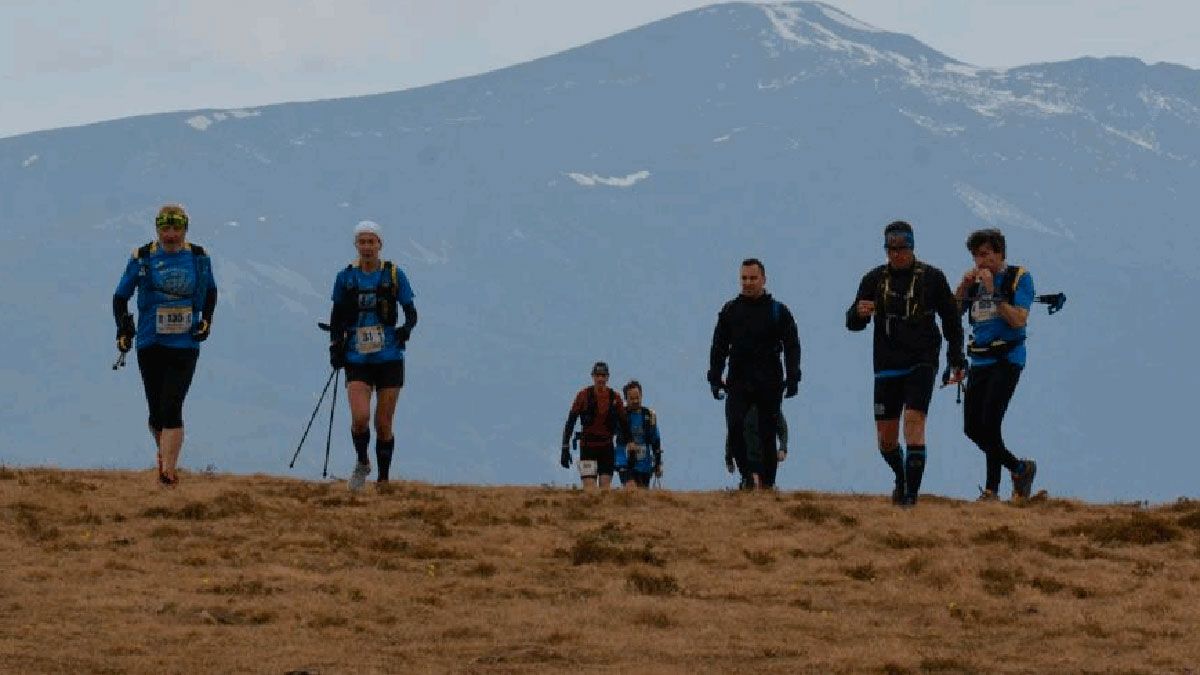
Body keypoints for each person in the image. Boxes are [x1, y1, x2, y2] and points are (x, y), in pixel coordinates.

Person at [846, 220, 966, 506]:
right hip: (886, 364)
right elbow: (852, 323)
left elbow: (951, 319)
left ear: (912, 247)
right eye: (891, 248)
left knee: (913, 424)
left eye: (902, 248)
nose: (897, 253)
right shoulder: (873, 279)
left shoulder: (932, 277)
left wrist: (955, 356)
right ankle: (901, 478)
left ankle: (910, 499)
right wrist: (859, 313)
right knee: (886, 441)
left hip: (922, 360)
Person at [112, 204, 217, 486]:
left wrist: (206, 320)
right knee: (156, 412)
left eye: (176, 229)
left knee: (172, 406)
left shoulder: (198, 258)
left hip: (185, 344)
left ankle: (168, 473)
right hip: (150, 341)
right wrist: (123, 329)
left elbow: (211, 292)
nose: (170, 235)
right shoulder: (143, 257)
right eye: (165, 229)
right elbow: (120, 297)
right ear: (157, 229)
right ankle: (164, 459)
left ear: (185, 229)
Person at [328, 220, 417, 492]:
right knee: (360, 418)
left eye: (371, 241)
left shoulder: (394, 275)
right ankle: (362, 461)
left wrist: (406, 330)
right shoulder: (345, 278)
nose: (367, 247)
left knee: (383, 422)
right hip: (357, 358)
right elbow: (337, 315)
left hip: (389, 356)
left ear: (380, 245)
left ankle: (384, 479)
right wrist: (335, 346)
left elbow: (411, 311)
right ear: (356, 245)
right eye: (362, 242)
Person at [955, 228, 1037, 501]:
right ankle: (1019, 468)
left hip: (1007, 359)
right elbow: (954, 314)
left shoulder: (1018, 277)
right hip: (980, 359)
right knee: (972, 428)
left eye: (986, 254)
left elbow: (1018, 320)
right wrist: (964, 288)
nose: (981, 261)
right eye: (976, 256)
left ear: (1000, 253)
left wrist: (993, 292)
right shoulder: (975, 283)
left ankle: (991, 490)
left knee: (990, 424)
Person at [708, 258, 801, 490]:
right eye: (744, 278)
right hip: (738, 380)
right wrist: (715, 376)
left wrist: (793, 377)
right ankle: (747, 477)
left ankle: (768, 484)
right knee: (735, 425)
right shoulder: (730, 311)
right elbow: (718, 346)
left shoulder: (778, 311)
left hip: (769, 381)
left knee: (767, 434)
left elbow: (792, 345)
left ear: (764, 280)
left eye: (752, 278)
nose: (748, 283)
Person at [560, 362, 630, 490]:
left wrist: (630, 444)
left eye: (603, 376)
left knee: (605, 489)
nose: (600, 379)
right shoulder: (583, 396)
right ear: (593, 376)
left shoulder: (615, 398)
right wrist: (565, 447)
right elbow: (570, 421)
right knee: (590, 489)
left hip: (607, 448)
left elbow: (624, 424)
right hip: (588, 448)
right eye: (598, 375)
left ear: (608, 377)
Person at [724, 403, 788, 489]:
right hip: (747, 457)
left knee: (767, 484)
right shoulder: (741, 407)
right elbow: (732, 433)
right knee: (751, 481)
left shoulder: (769, 405)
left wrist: (783, 448)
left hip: (766, 456)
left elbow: (782, 428)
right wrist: (729, 458)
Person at [616, 380, 662, 489]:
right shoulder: (621, 416)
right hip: (625, 461)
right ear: (626, 399)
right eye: (631, 398)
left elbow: (655, 440)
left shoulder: (648, 416)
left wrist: (658, 463)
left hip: (644, 464)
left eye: (637, 397)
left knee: (642, 495)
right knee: (631, 489)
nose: (635, 401)